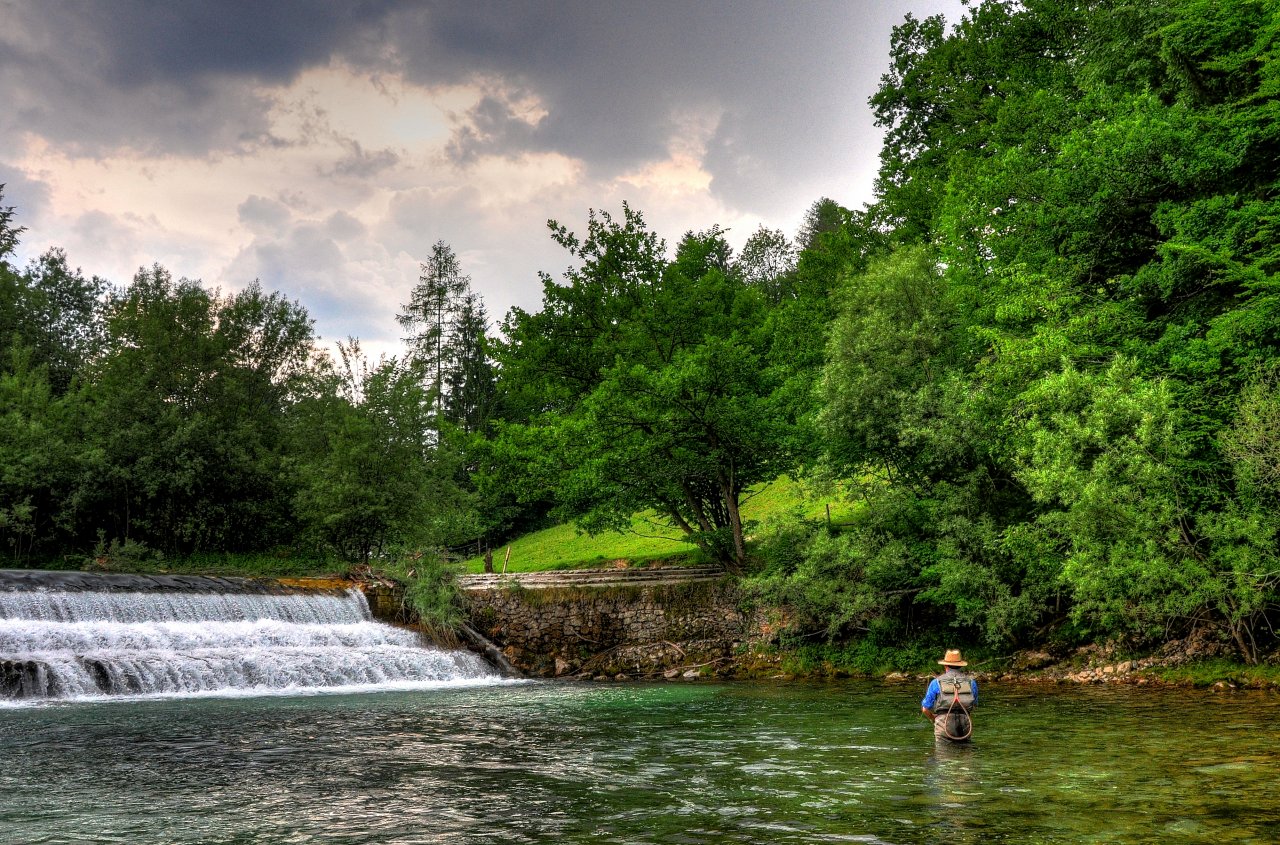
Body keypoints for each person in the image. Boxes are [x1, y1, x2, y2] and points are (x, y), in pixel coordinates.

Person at [921, 648, 977, 742]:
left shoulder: (936, 682)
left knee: (943, 755)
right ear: (960, 666)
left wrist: (933, 718)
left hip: (944, 724)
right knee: (965, 754)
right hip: (965, 725)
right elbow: (974, 705)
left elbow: (925, 709)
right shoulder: (971, 682)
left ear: (945, 666)